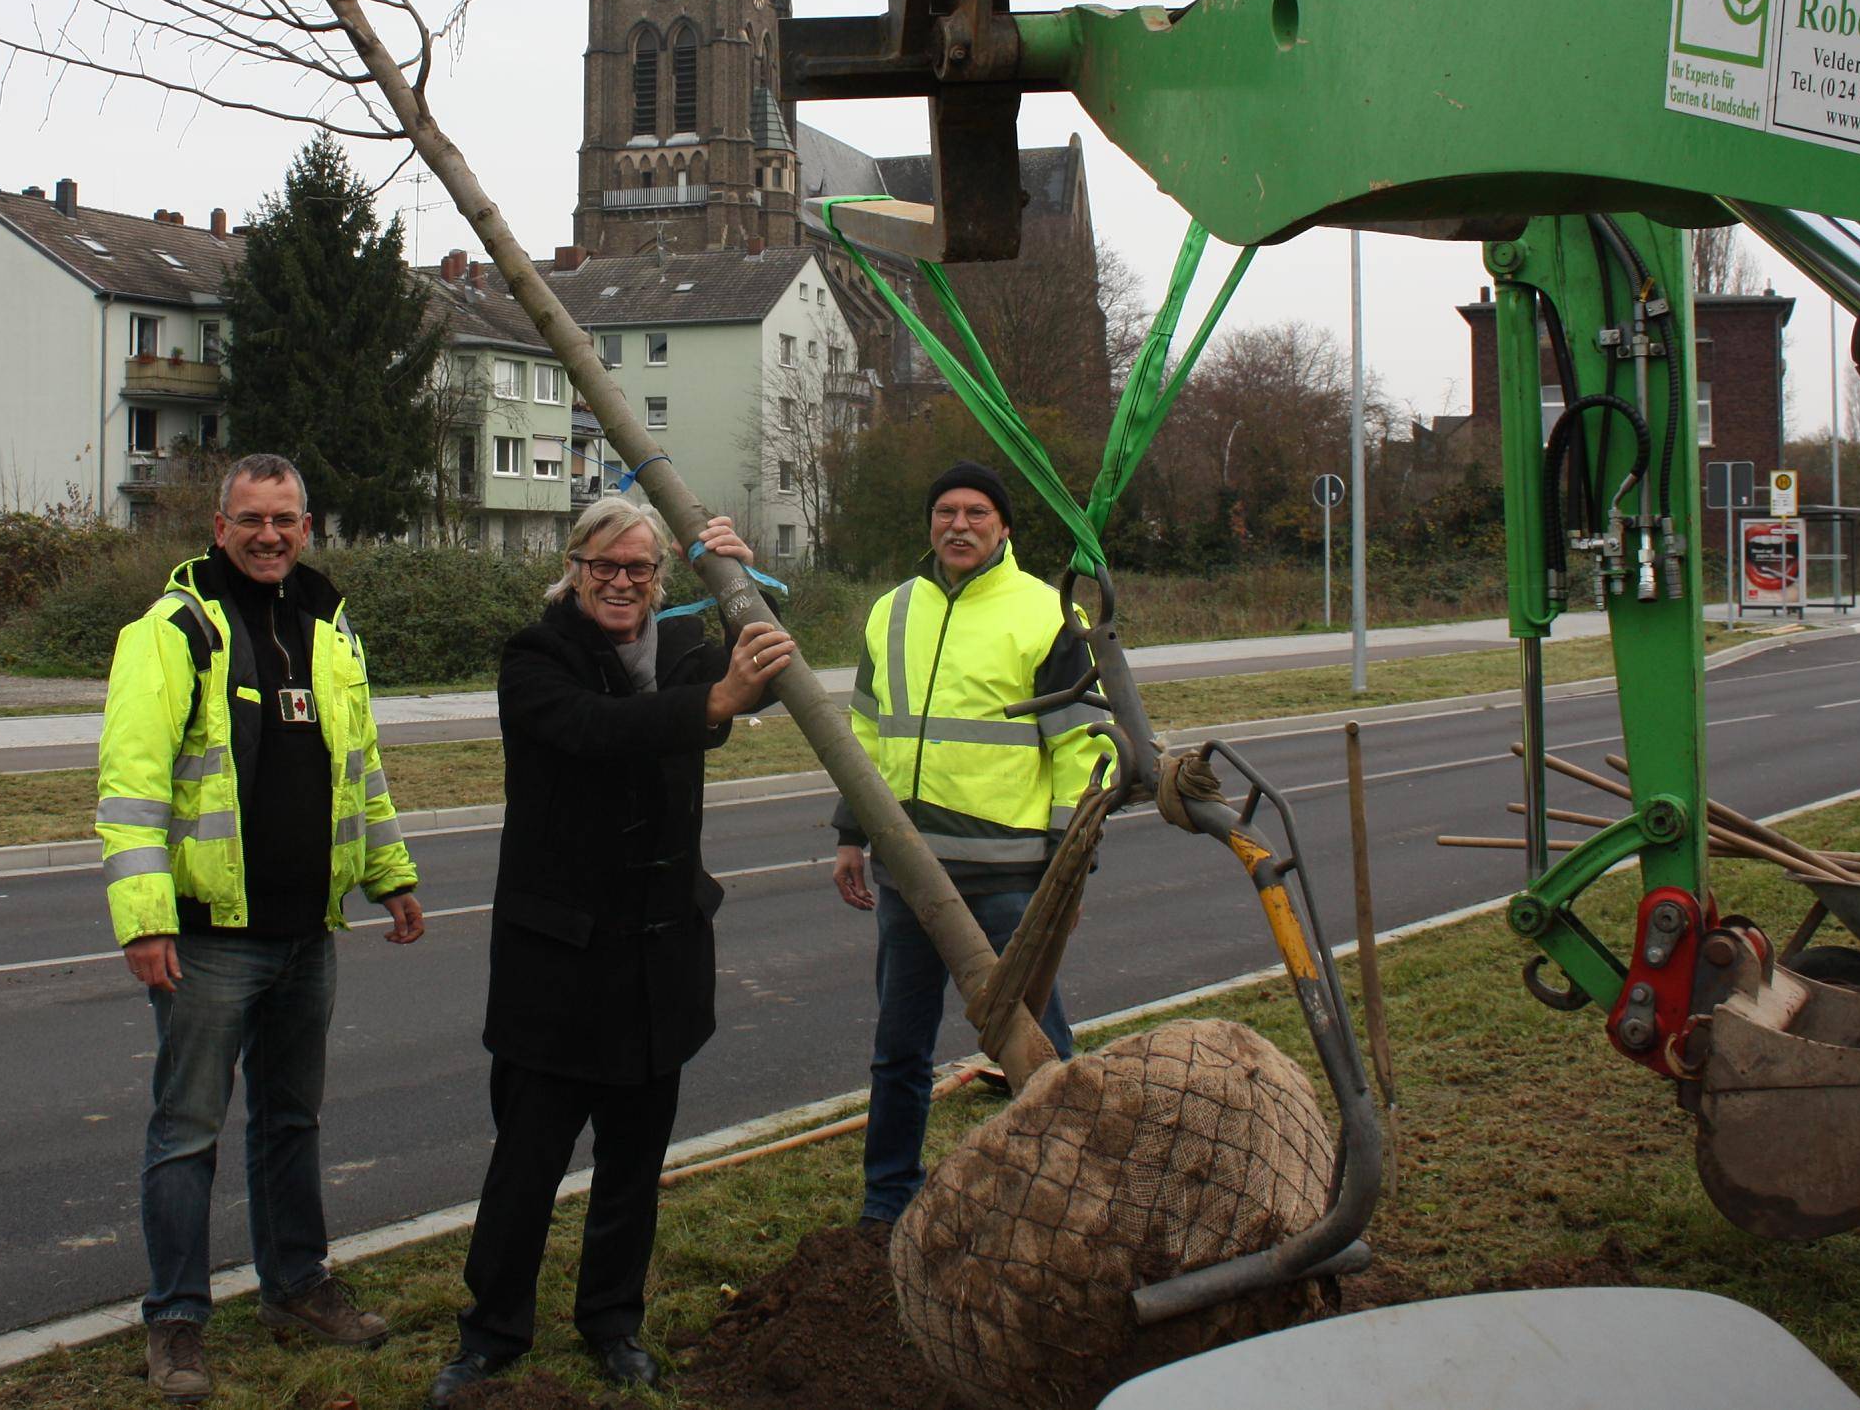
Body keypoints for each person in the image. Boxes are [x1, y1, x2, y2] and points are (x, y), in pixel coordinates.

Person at [428, 497, 793, 1405]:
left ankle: (612, 1322)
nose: (621, 583)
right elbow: (593, 731)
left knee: (633, 1168)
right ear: (574, 566)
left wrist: (739, 585)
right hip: (557, 967)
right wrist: (710, 703)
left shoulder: (681, 650)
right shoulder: (536, 655)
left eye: (638, 569)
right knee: (527, 1165)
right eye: (604, 567)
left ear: (660, 578)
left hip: (658, 959)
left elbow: (771, 670)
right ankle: (491, 1331)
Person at [96, 453, 424, 1403]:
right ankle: (178, 1323)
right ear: (219, 523)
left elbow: (360, 767)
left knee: (292, 1122)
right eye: (252, 519)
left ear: (307, 527)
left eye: (285, 519)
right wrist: (146, 920)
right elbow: (131, 789)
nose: (269, 535)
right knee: (186, 1133)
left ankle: (295, 1286)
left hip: (305, 932)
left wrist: (390, 872)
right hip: (205, 938)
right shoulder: (172, 631)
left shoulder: (331, 626)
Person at [831, 460, 1106, 1228]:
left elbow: (1084, 748)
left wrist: (1067, 865)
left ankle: (1079, 1194)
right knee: (899, 1053)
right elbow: (862, 735)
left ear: (1004, 527)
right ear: (929, 524)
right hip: (909, 875)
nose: (958, 525)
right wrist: (853, 834)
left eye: (976, 512)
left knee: (1036, 1050)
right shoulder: (891, 612)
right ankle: (888, 1204)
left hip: (1010, 879)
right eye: (945, 511)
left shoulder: (1048, 616)